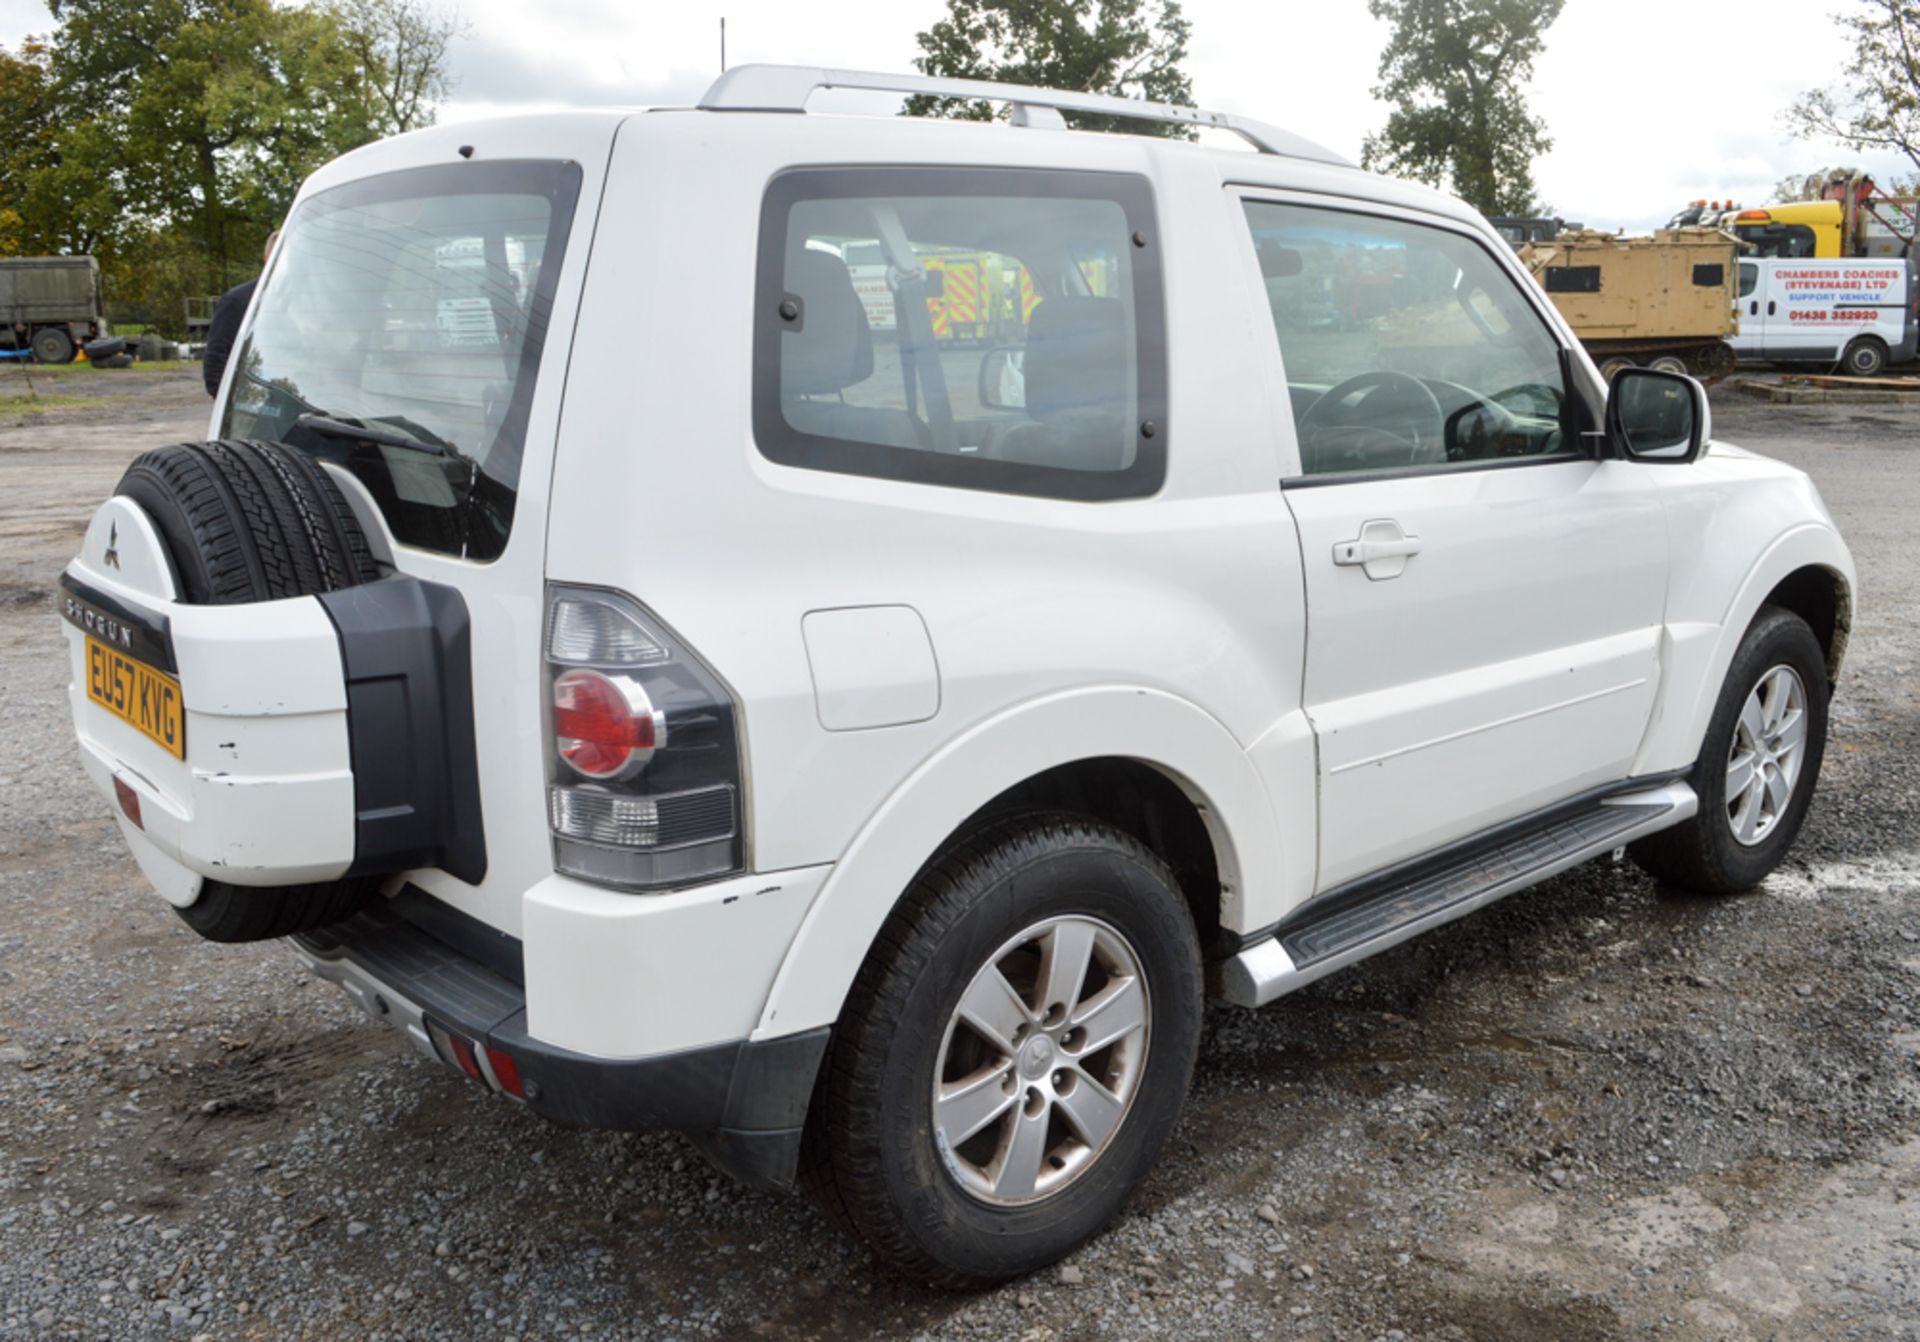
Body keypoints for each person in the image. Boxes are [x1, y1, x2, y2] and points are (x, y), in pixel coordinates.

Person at [202, 230, 278, 396]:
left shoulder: (304, 303)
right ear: (267, 259)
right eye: (280, 256)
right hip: (255, 405)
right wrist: (235, 407)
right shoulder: (237, 301)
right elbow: (216, 362)